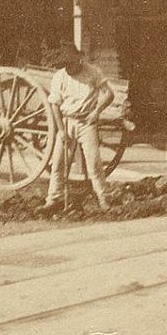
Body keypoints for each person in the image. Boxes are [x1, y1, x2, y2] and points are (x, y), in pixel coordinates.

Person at [40, 43, 114, 213]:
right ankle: (53, 199)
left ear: (78, 60)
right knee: (58, 163)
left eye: (71, 63)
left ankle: (103, 199)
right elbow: (54, 105)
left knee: (94, 164)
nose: (69, 67)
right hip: (66, 122)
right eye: (65, 64)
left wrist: (96, 112)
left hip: (86, 123)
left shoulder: (92, 72)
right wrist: (61, 130)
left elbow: (109, 94)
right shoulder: (60, 77)